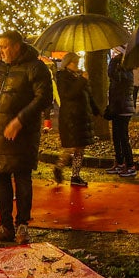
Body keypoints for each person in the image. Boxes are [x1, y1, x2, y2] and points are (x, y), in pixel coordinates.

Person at [0, 31, 55, 244]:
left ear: (17, 46)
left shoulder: (36, 68)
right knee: (0, 180)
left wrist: (20, 120)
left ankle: (22, 225)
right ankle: (5, 226)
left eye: (5, 47)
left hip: (22, 136)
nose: (0, 51)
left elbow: (44, 98)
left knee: (22, 180)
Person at [53, 51, 98, 187]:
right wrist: (82, 80)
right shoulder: (62, 77)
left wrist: (96, 110)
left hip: (82, 117)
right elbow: (68, 94)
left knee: (80, 147)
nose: (77, 65)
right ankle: (59, 167)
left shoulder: (79, 76)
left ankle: (75, 175)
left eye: (78, 62)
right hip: (71, 117)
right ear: (67, 63)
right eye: (75, 62)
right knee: (72, 147)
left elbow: (87, 94)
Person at [106, 47, 137, 177]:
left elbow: (111, 73)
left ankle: (130, 165)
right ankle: (119, 163)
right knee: (117, 137)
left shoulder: (126, 74)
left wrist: (113, 61)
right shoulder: (122, 73)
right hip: (117, 109)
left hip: (123, 110)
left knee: (123, 138)